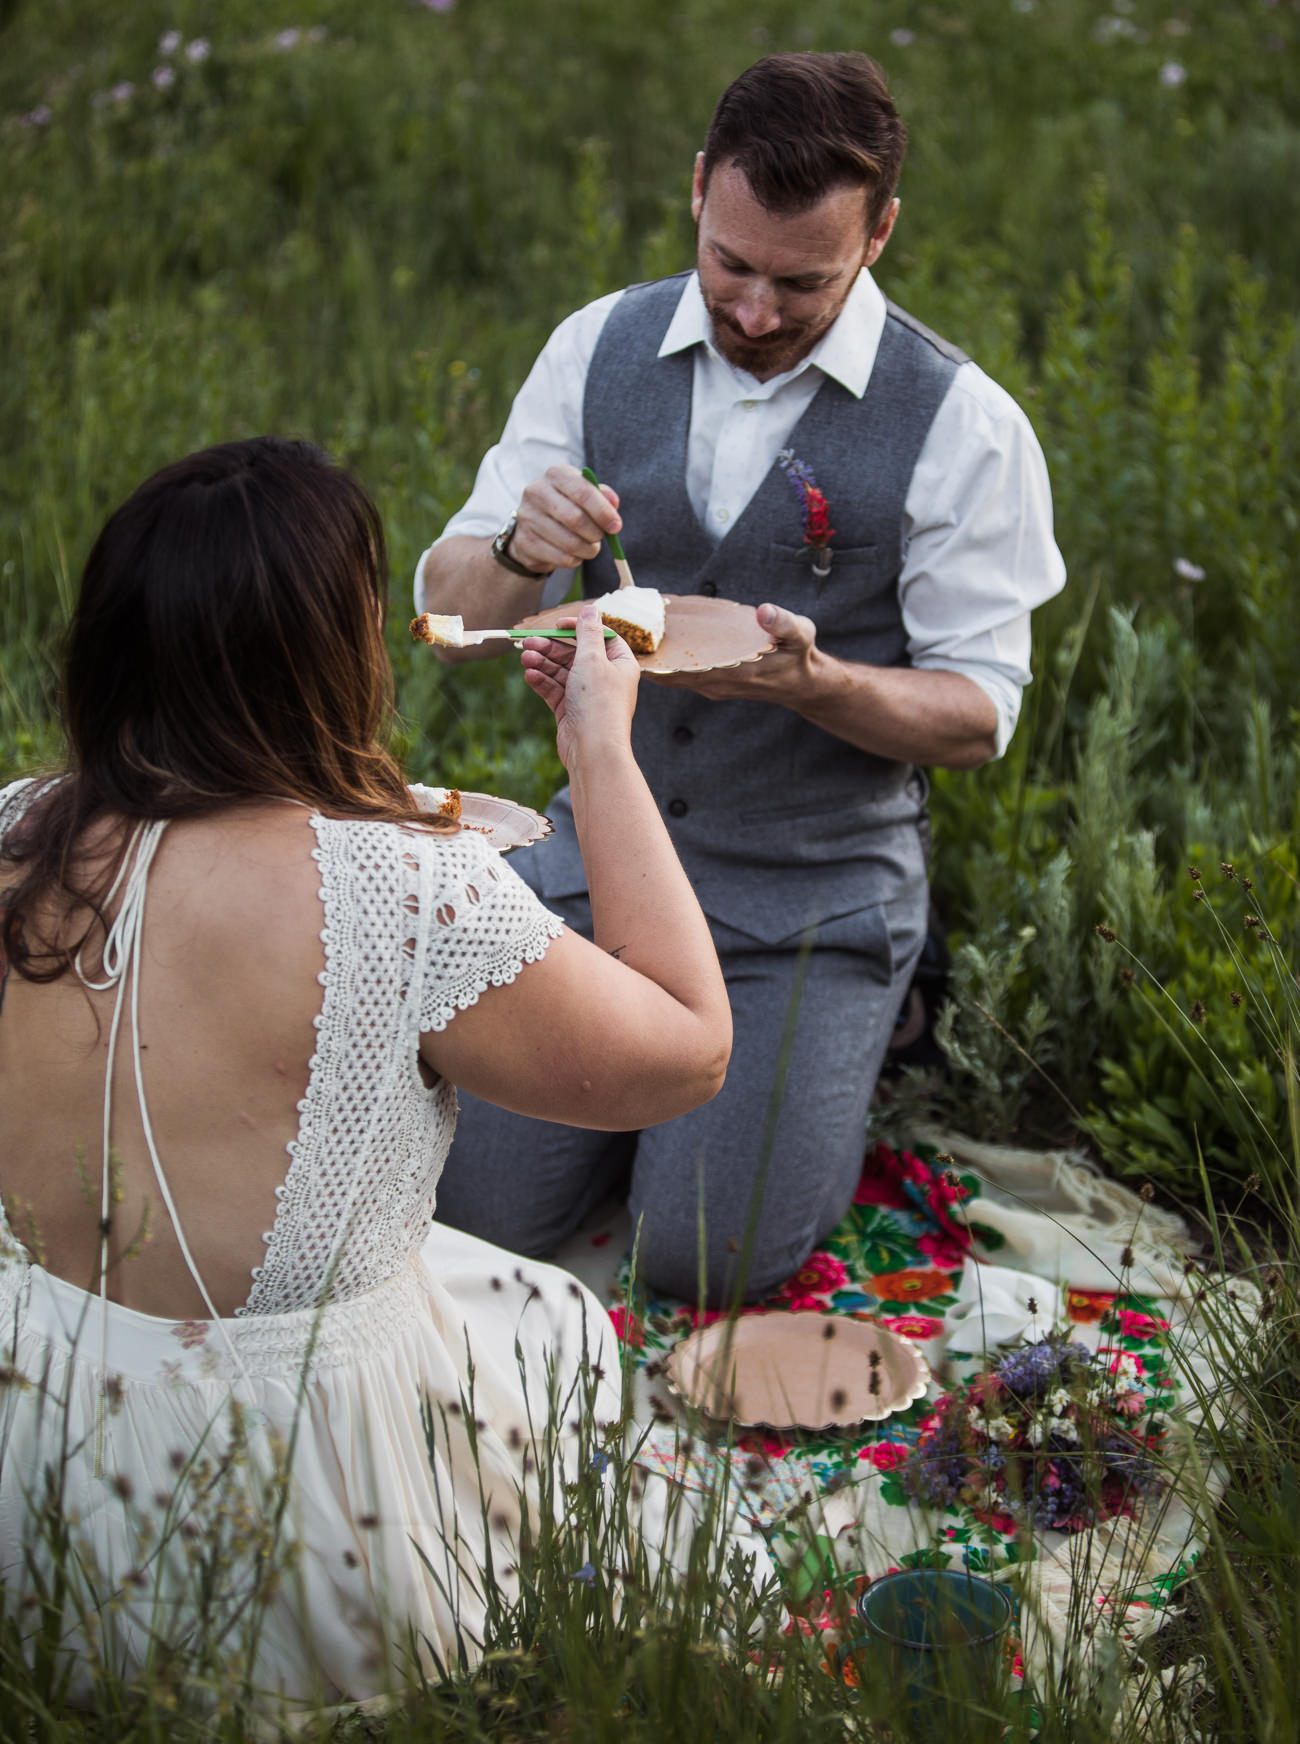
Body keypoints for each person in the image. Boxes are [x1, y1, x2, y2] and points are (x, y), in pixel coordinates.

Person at [0, 438, 737, 1706]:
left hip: (40, 1446)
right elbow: (687, 1045)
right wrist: (601, 750)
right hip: (289, 1515)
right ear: (327, 656)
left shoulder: (15, 824)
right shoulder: (404, 888)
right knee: (546, 1324)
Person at [416, 51, 1066, 1306]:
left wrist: (817, 684)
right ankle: (657, 1097)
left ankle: (825, 1040)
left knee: (699, 1257)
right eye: (730, 265)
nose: (756, 310)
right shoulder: (595, 345)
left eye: (801, 280)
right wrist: (511, 550)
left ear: (879, 232)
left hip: (811, 892)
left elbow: (979, 717)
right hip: (598, 862)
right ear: (699, 188)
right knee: (482, 1206)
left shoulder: (964, 424)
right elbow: (449, 608)